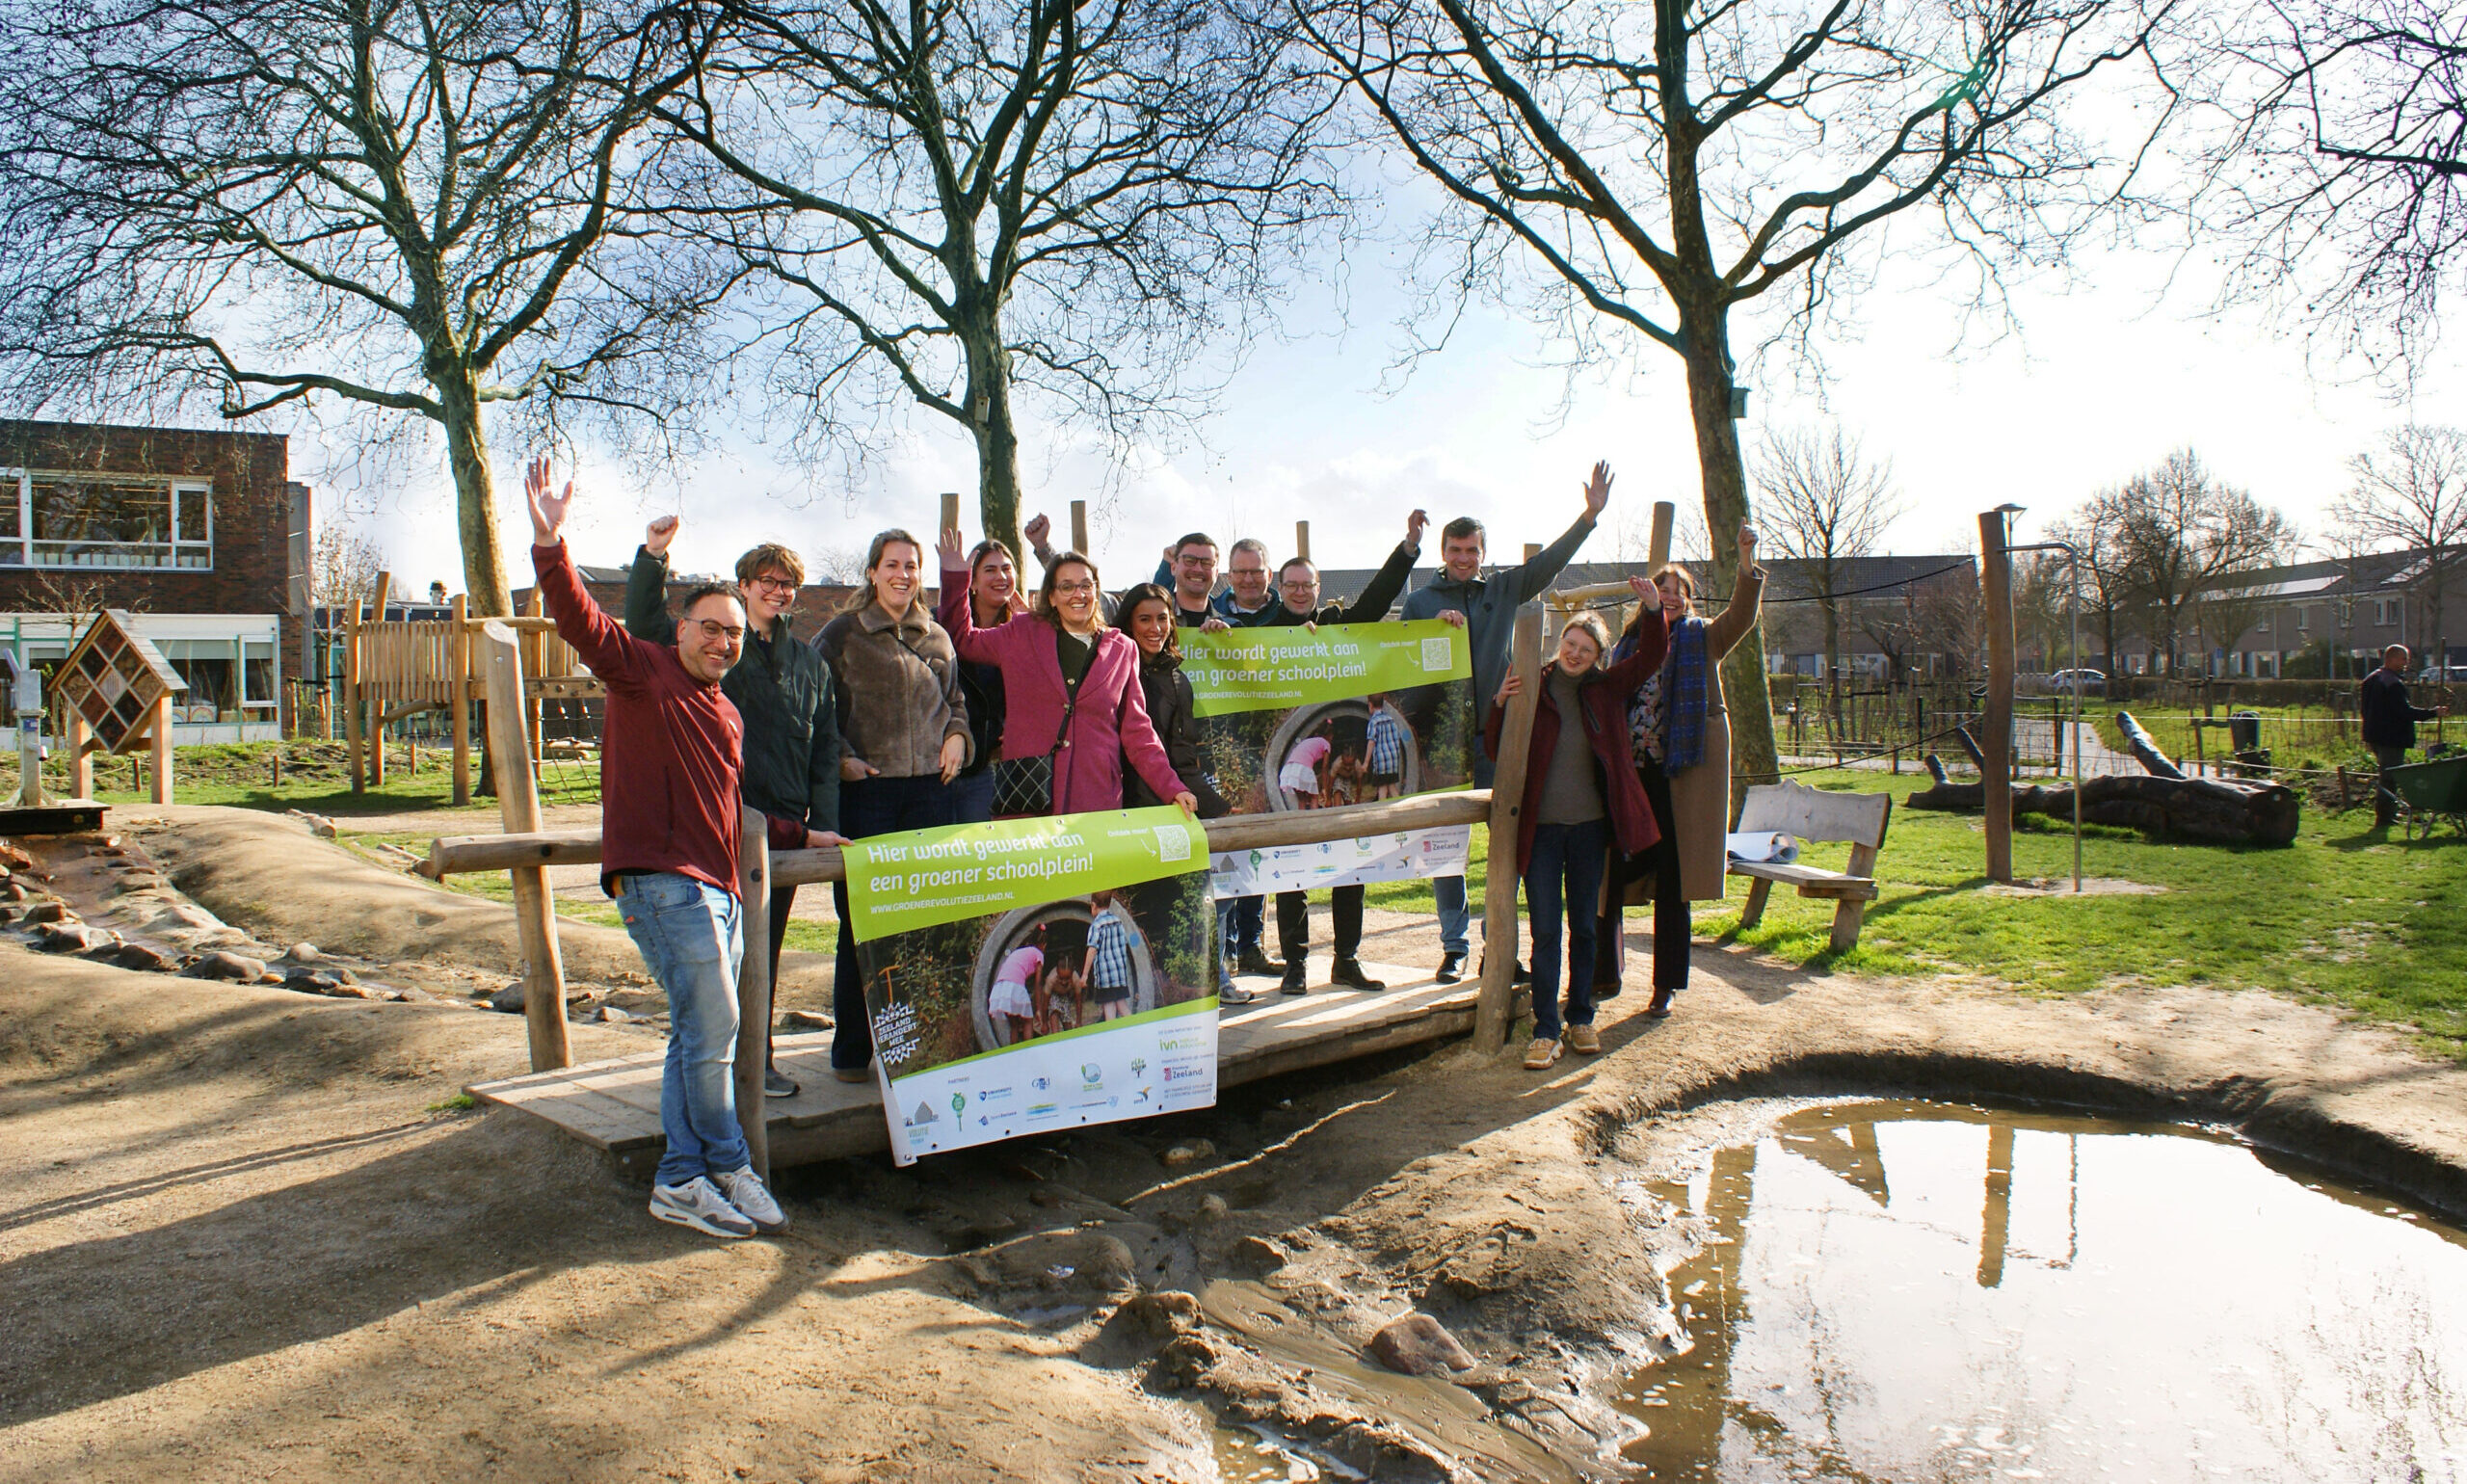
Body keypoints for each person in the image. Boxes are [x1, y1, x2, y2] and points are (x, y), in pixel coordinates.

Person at [523, 456, 813, 1241]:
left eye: (733, 633)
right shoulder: (641, 672)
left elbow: (730, 808)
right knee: (717, 1025)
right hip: (663, 883)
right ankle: (725, 1163)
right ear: (680, 630)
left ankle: (685, 1177)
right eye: (709, 627)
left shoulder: (725, 712)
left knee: (697, 1032)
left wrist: (804, 834)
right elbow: (579, 616)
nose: (722, 641)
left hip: (720, 890)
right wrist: (551, 544)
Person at [626, 520, 849, 1101]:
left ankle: (757, 1061)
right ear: (744, 585)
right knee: (718, 953)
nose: (778, 591)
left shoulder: (809, 665)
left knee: (764, 950)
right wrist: (652, 559)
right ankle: (715, 1071)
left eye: (788, 584)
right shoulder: (719, 650)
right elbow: (646, 627)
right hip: (719, 821)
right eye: (766, 581)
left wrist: (823, 826)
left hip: (784, 826)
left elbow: (825, 750)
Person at [1402, 463, 1612, 982]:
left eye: (1472, 550)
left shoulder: (1502, 589)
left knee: (1507, 845)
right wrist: (1432, 631)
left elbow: (1549, 565)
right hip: (1443, 745)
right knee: (1447, 851)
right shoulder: (1421, 602)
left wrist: (1588, 518)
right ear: (1443, 553)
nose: (1463, 559)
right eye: (1455, 550)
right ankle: (1453, 947)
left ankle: (1497, 947)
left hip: (1498, 739)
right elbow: (1403, 664)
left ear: (1482, 553)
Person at [1484, 593, 1669, 1071]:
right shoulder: (1533, 684)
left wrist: (1653, 612)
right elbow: (1496, 750)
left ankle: (1580, 1016)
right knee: (1546, 931)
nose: (1575, 653)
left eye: (1586, 649)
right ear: (1558, 642)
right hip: (1542, 832)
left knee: (1585, 927)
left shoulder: (1606, 688)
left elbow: (1652, 655)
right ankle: (1546, 1029)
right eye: (1570, 644)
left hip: (1589, 831)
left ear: (1598, 656)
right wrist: (1500, 703)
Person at [817, 531, 972, 1084]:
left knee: (923, 921)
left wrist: (958, 736)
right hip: (870, 795)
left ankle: (915, 1047)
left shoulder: (936, 636)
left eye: (911, 565)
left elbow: (955, 701)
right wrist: (843, 759)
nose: (902, 574)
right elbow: (819, 709)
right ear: (872, 572)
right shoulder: (843, 635)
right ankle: (851, 1051)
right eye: (892, 565)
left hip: (931, 792)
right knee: (861, 922)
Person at [1596, 527, 1765, 1018]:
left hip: (1679, 780)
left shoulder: (1702, 638)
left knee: (1674, 880)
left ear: (1688, 599)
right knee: (1610, 874)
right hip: (1632, 777)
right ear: (1646, 595)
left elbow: (1741, 616)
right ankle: (1604, 973)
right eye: (1661, 588)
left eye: (1677, 590)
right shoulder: (1627, 645)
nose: (1668, 595)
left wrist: (1745, 562)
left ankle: (1665, 985)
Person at [1255, 513, 1425, 994]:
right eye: (1291, 585)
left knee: (1351, 867)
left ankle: (1346, 959)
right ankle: (1296, 965)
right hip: (1290, 764)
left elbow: (1377, 598)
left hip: (1336, 765)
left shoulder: (1336, 623)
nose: (1300, 592)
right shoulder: (1261, 630)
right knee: (1292, 874)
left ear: (1318, 587)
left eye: (1307, 584)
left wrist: (1408, 549)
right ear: (1279, 588)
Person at [935, 527, 1197, 817]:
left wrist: (1172, 787)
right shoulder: (1022, 633)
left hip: (1096, 799)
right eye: (1067, 587)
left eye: (1086, 585)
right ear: (1051, 596)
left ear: (1096, 591)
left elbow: (1138, 733)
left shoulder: (1122, 649)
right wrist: (956, 579)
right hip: (1030, 801)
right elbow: (962, 640)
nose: (1078, 594)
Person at [1115, 583, 1248, 1002]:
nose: (1155, 628)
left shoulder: (1178, 680)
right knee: (1142, 913)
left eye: (1162, 618)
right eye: (1144, 619)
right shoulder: (1113, 672)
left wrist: (1217, 806)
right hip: (1124, 814)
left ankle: (1208, 983)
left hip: (1174, 810)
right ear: (1128, 624)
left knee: (1201, 899)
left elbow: (1183, 759)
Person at [951, 538, 1030, 823]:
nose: (1001, 577)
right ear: (971, 582)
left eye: (1007, 569)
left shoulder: (1021, 631)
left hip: (987, 768)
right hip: (943, 763)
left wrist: (1032, 634)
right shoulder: (943, 626)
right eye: (990, 570)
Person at [2363, 643, 2450, 828]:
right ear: (2391, 659)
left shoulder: (2371, 678)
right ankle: (2385, 817)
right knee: (2390, 777)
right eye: (2403, 659)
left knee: (2385, 774)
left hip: (2374, 735)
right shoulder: (2393, 683)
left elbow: (2365, 709)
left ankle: (2387, 813)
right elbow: (2404, 712)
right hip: (2392, 737)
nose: (2406, 663)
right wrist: (2433, 713)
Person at [1085, 890, 1134, 1021]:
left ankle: (1113, 1033)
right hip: (1119, 976)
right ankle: (1137, 1028)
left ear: (1093, 905)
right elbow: (1125, 943)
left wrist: (1084, 975)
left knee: (1109, 1011)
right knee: (1122, 1007)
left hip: (1106, 978)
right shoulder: (1118, 921)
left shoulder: (1096, 925)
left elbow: (1092, 950)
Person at [990, 942, 1043, 1046]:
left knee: (1014, 1025)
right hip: (1015, 986)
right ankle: (1029, 1050)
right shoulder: (1038, 954)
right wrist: (1038, 1009)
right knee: (1028, 1020)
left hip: (1000, 987)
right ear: (1044, 945)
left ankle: (1014, 1051)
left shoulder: (1018, 953)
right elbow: (1038, 983)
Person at [1365, 697, 1407, 801]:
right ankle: (1401, 806)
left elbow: (1371, 742)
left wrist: (1366, 763)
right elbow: (1397, 738)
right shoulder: (1390, 719)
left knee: (1382, 788)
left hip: (1382, 762)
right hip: (1393, 760)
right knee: (1392, 787)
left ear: (1370, 705)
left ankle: (1382, 809)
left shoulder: (1374, 722)